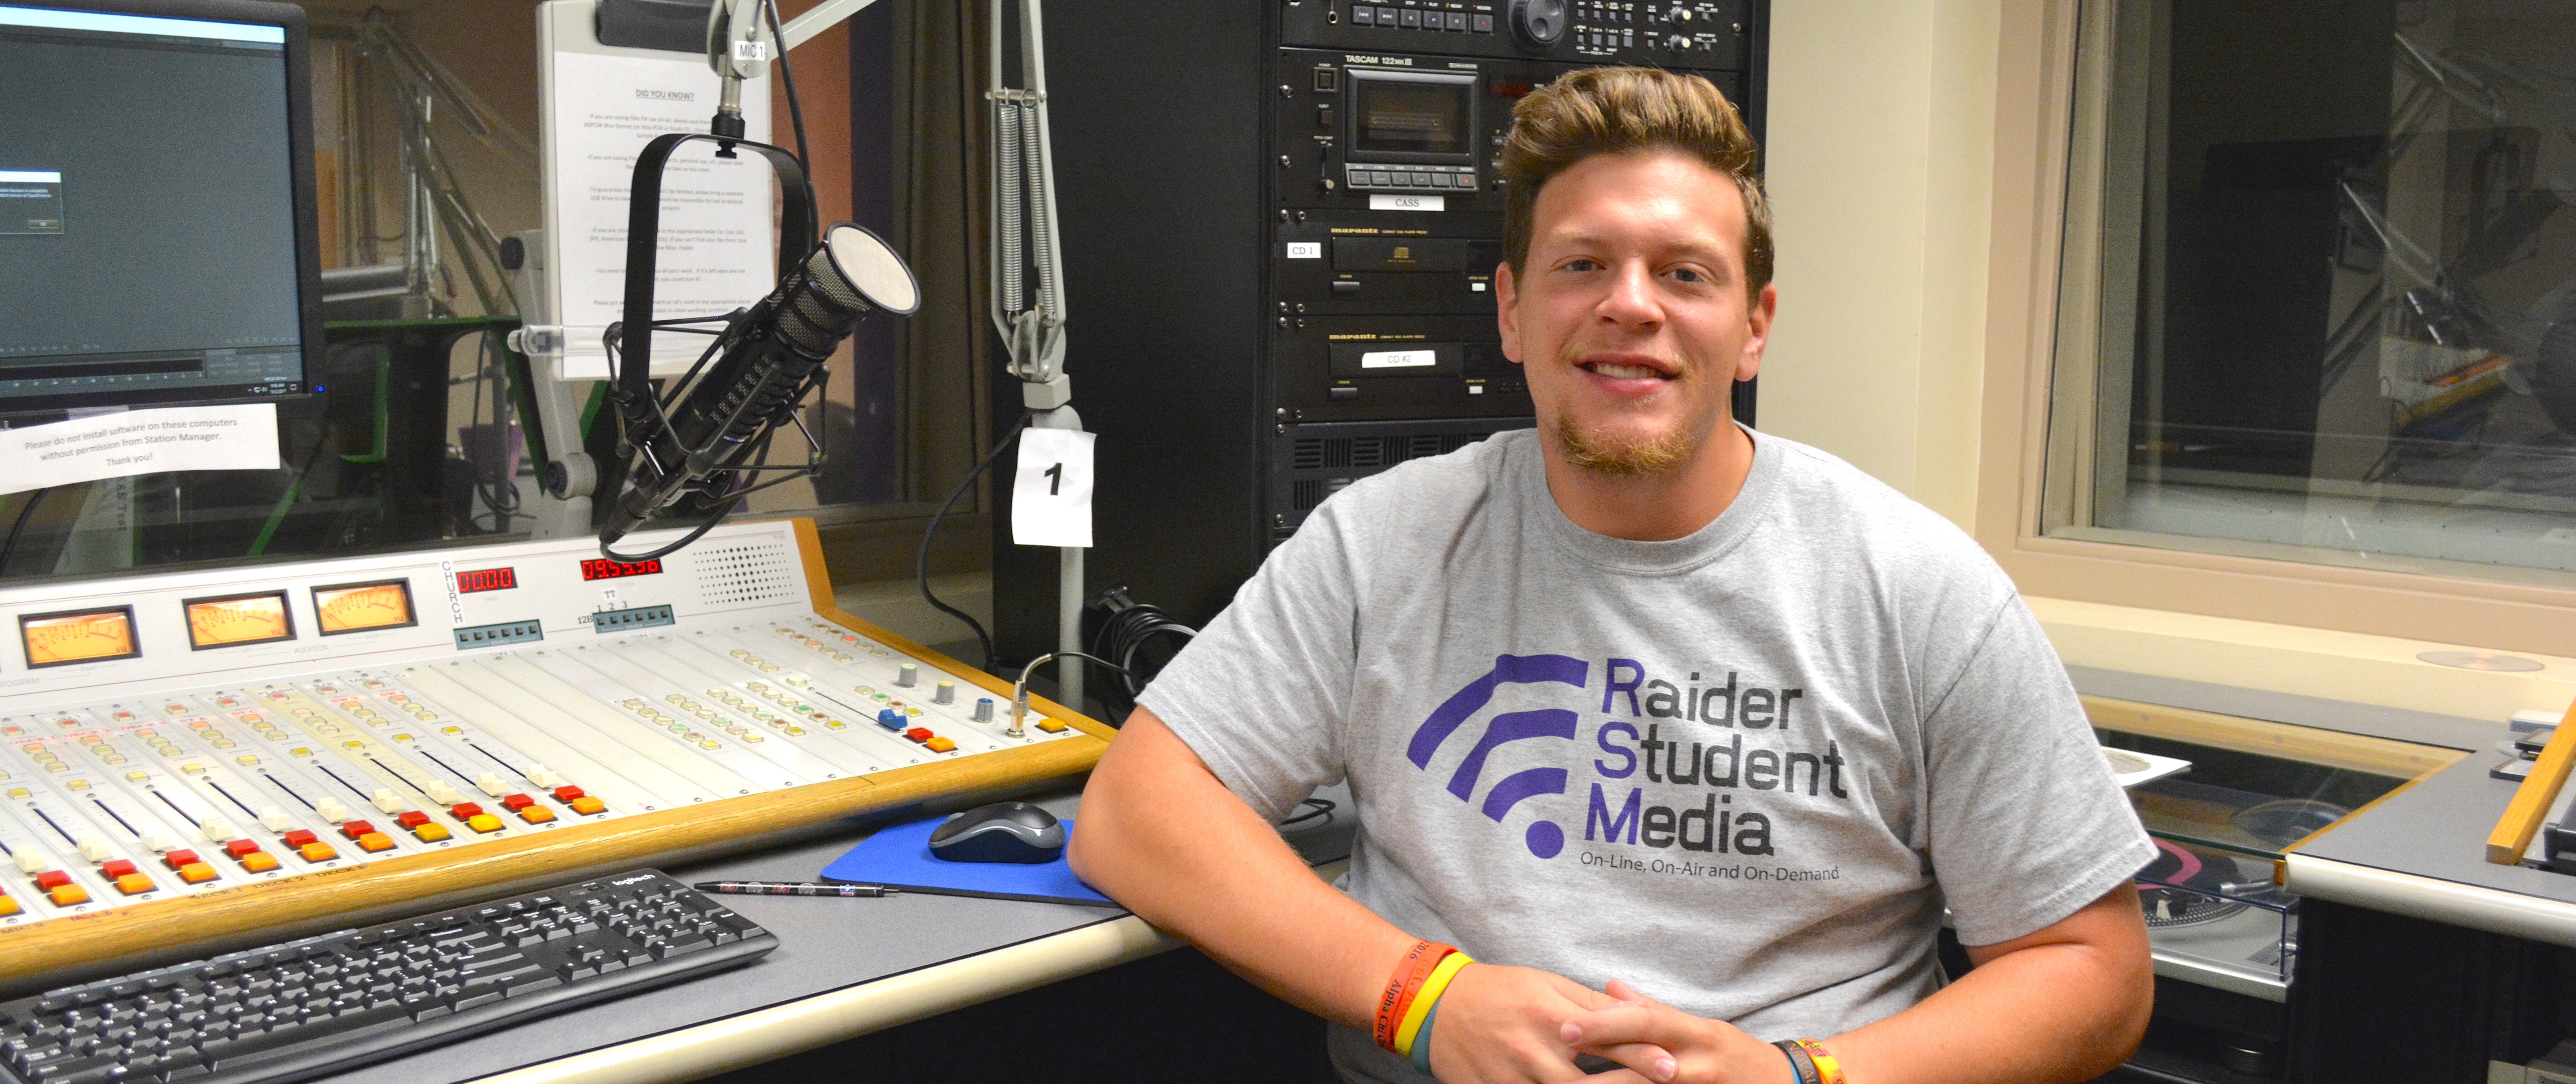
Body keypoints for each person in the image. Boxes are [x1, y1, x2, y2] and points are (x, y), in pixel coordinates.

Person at [1069, 67, 2156, 1084]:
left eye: (1685, 274)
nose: (1630, 304)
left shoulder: (1916, 590)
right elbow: (1139, 811)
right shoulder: (1383, 544)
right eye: (1582, 264)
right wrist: (1428, 998)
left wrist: (1799, 1076)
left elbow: (2094, 971)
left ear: (1754, 330)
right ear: (1510, 312)